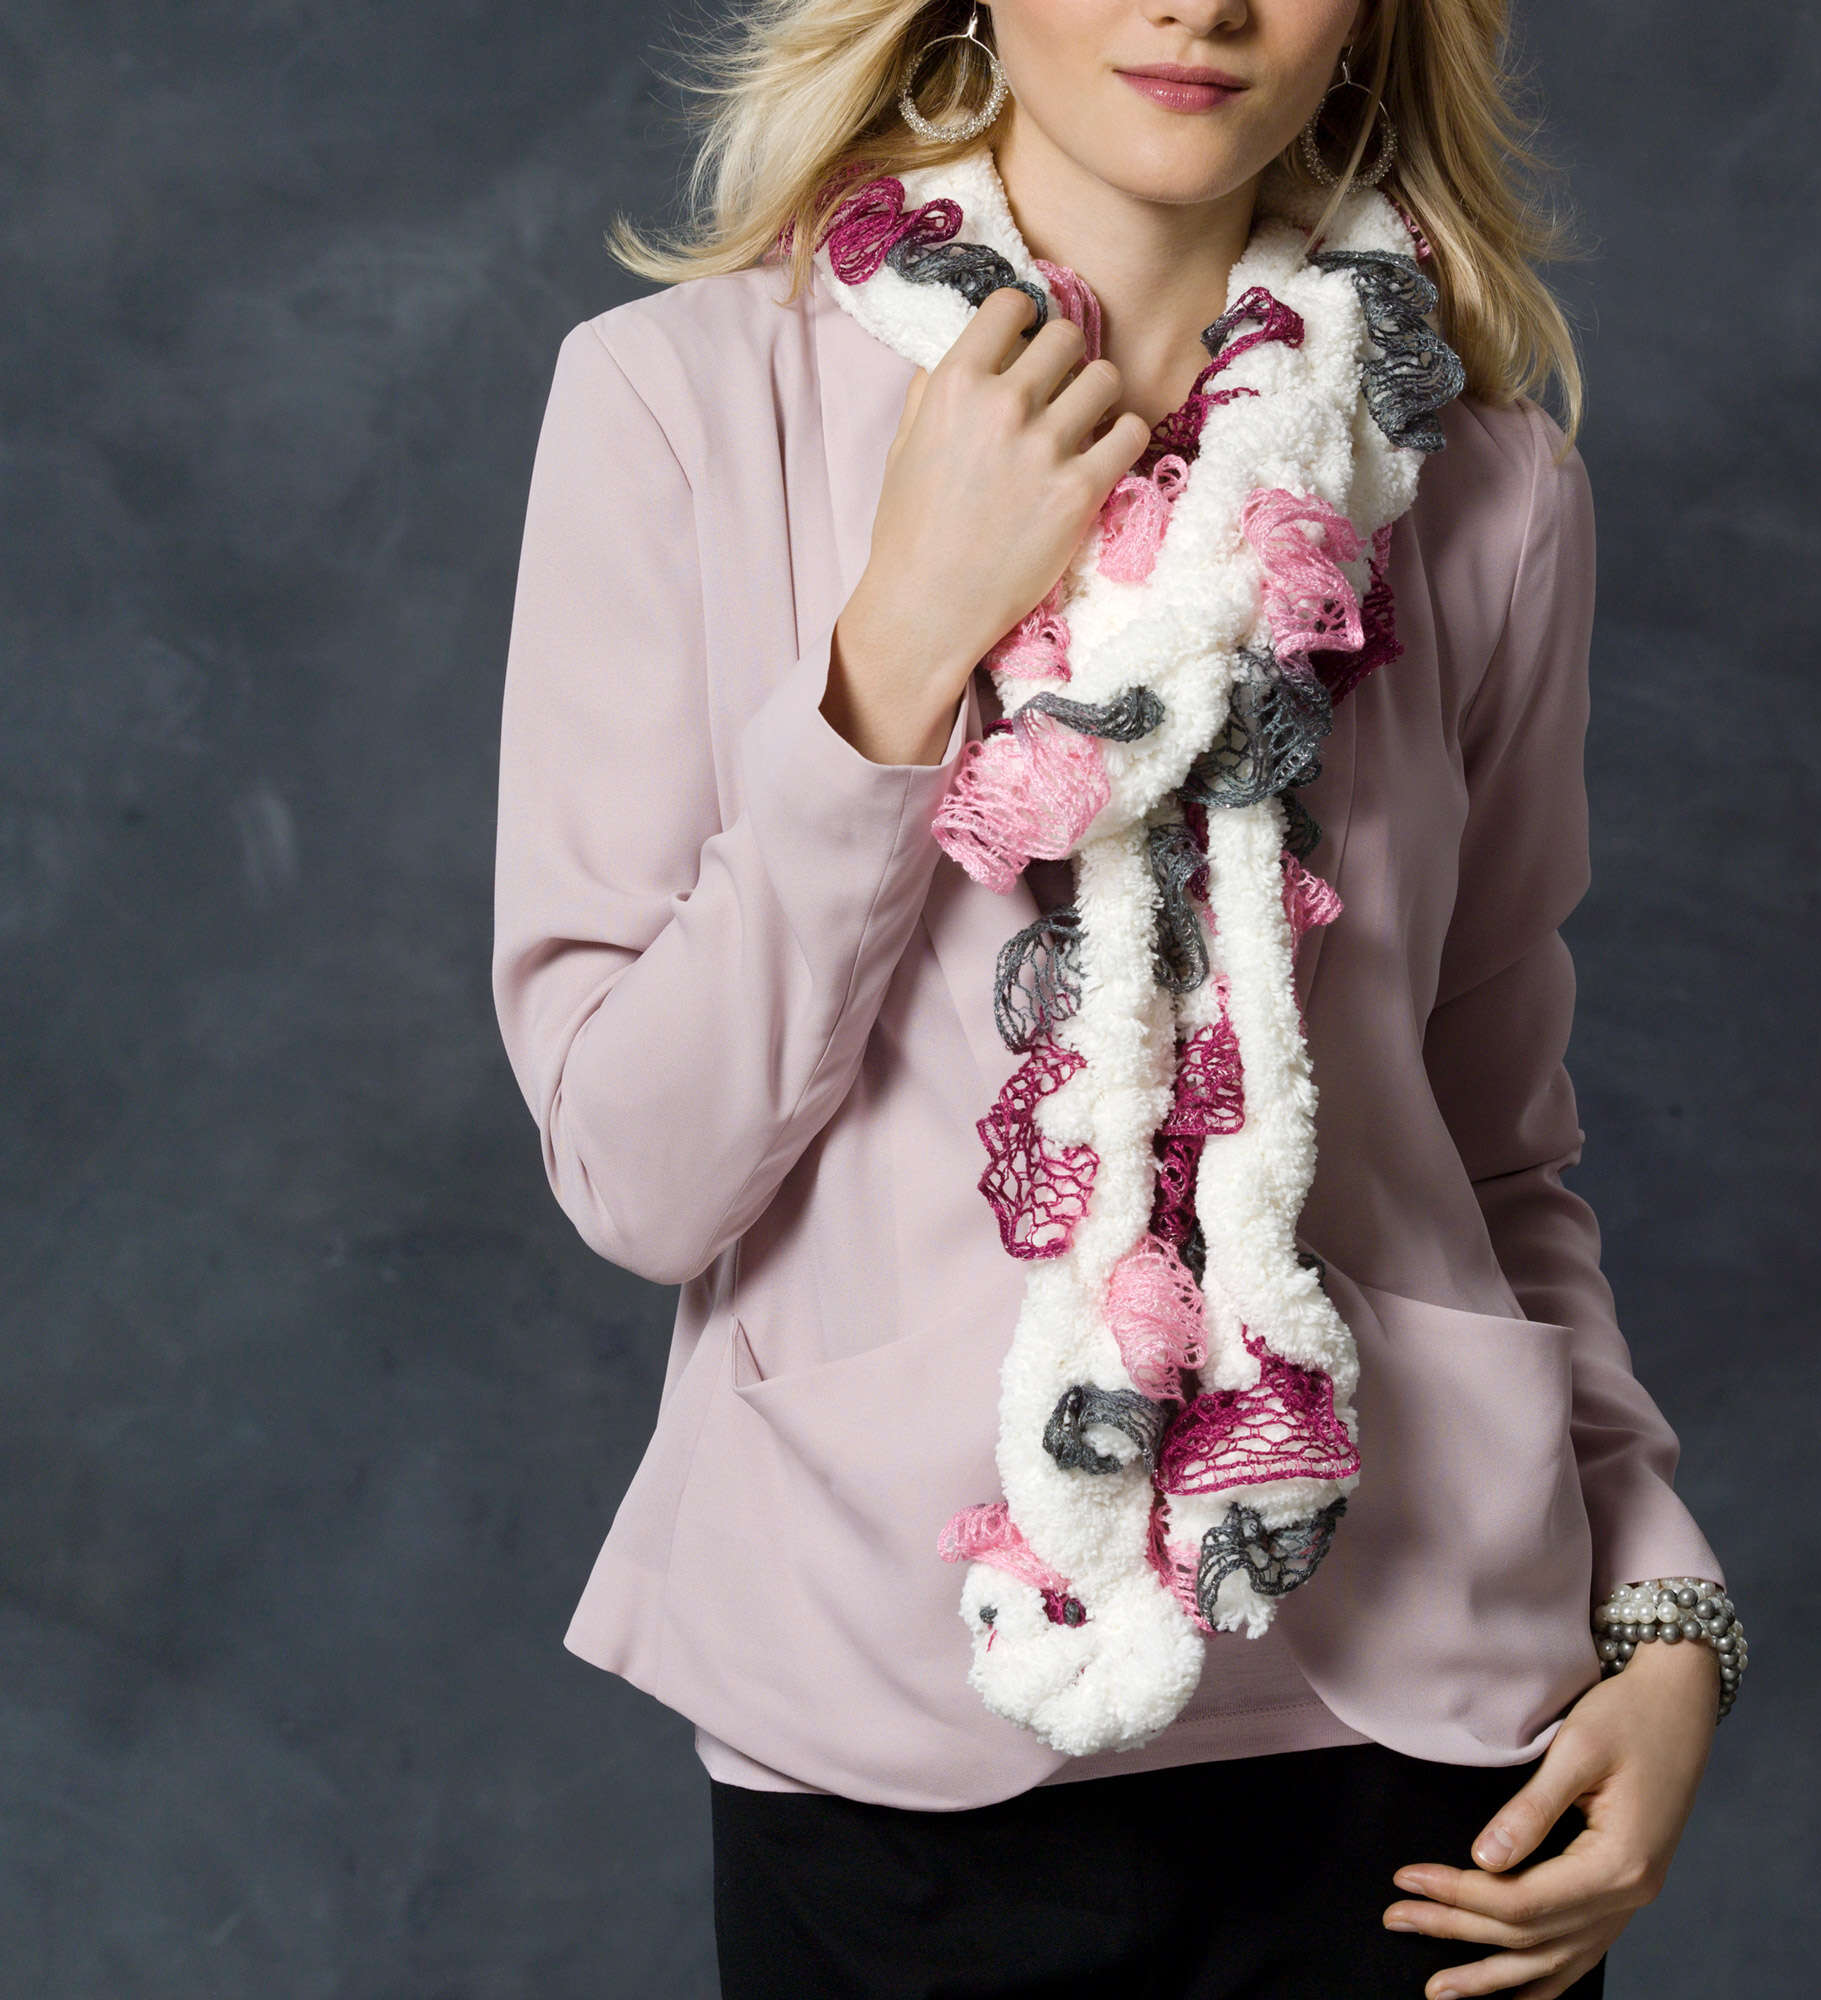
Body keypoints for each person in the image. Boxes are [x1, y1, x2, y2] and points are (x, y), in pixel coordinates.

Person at [491, 3, 1747, 1995]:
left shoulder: (1490, 486)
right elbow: (640, 1175)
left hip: (1426, 1728)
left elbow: (1497, 1152)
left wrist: (1663, 1613)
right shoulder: (681, 405)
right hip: (902, 1715)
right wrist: (901, 642)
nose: (1202, 6)